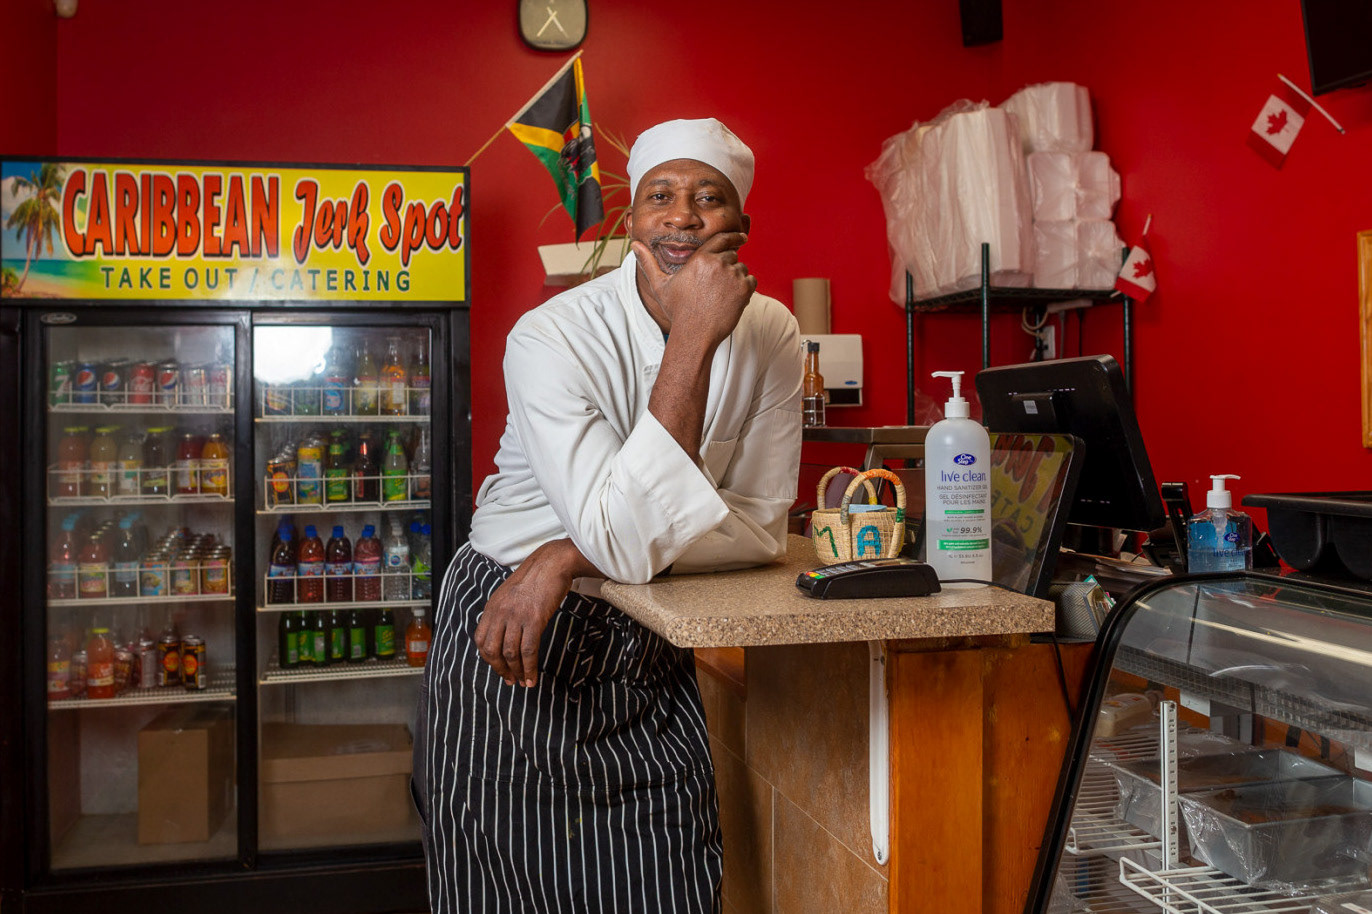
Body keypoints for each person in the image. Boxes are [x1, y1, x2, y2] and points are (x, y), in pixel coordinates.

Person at [415, 117, 803, 913]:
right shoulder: (551, 336)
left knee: (667, 877)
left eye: (708, 198)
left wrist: (565, 555)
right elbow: (633, 535)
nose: (683, 217)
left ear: (742, 227)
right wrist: (695, 335)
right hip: (512, 633)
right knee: (500, 890)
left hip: (639, 631)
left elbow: (761, 526)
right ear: (632, 223)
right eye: (660, 196)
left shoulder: (774, 334)